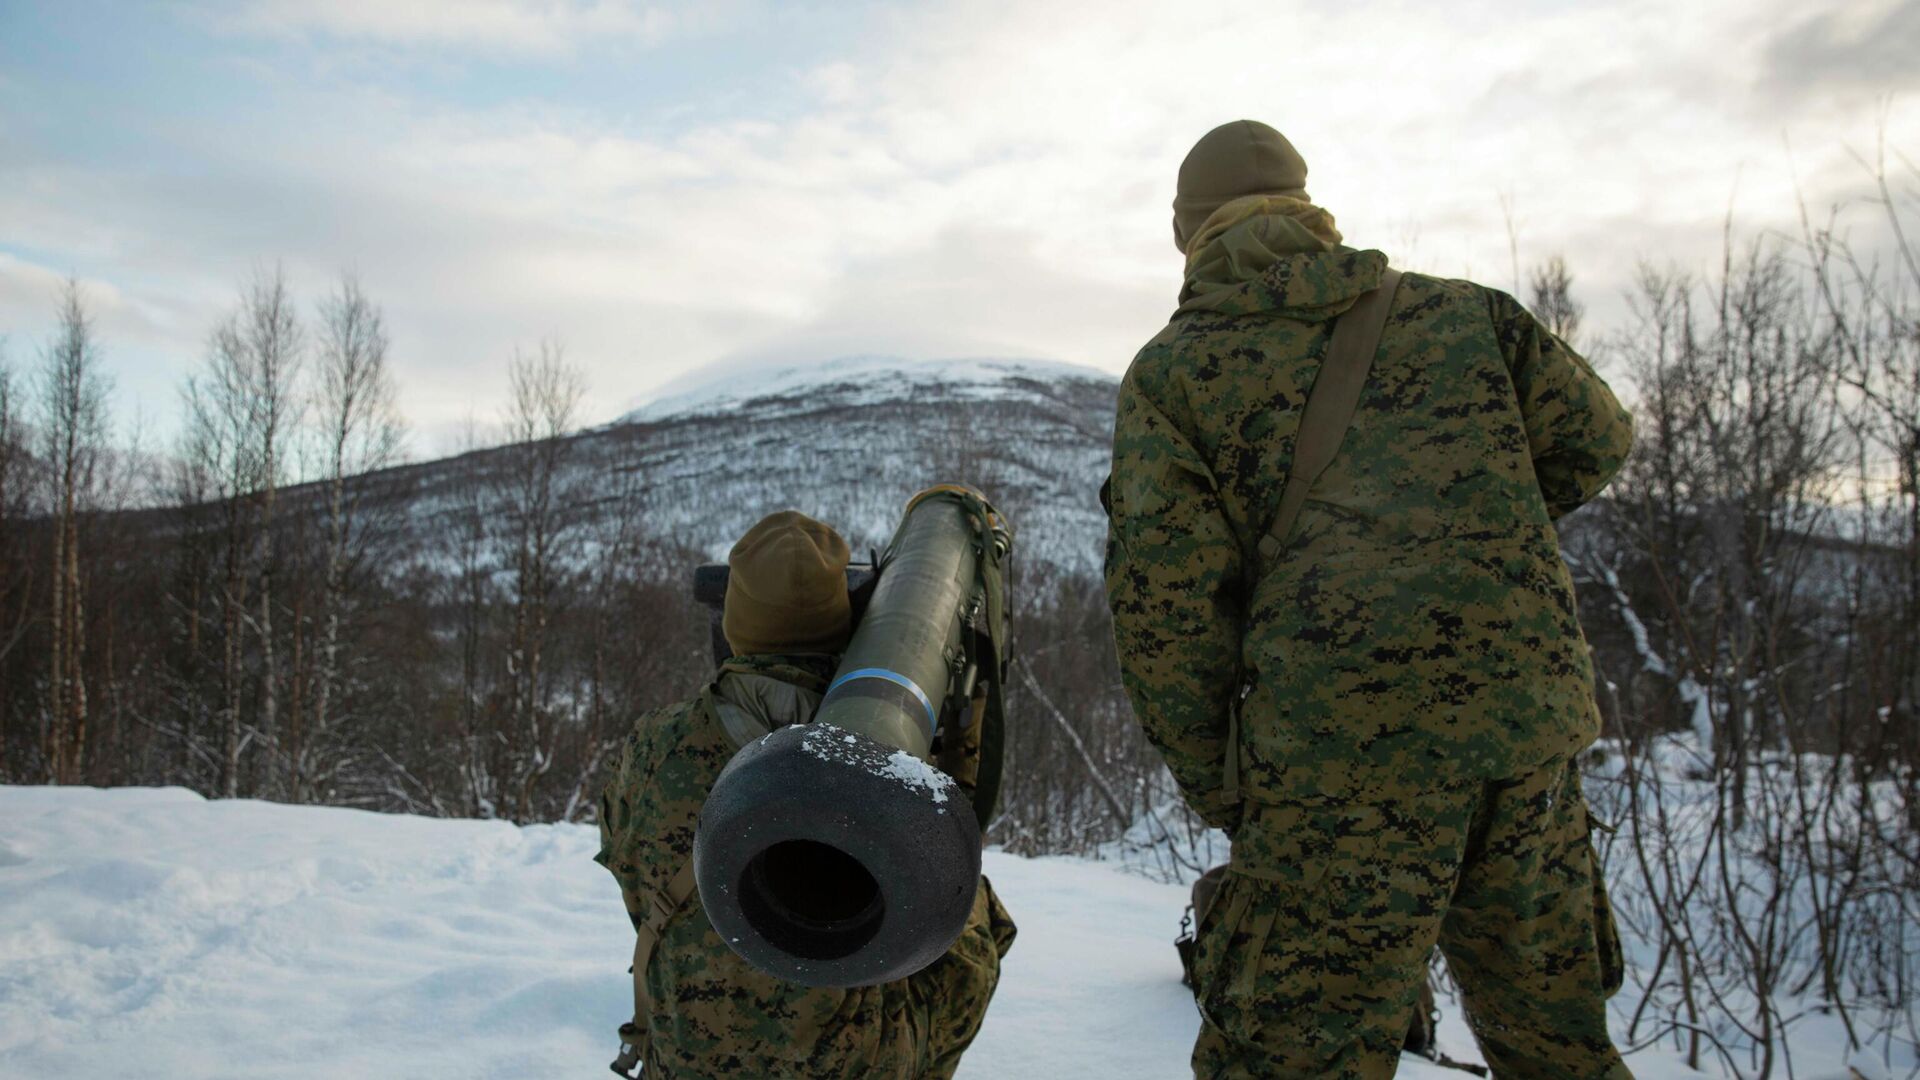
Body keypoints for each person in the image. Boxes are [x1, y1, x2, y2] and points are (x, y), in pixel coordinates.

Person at [1103, 119, 1635, 1078]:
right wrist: (1478, 522)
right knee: (1561, 1050)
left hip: (1335, 766)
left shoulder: (1179, 372)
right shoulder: (1468, 314)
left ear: (1190, 234)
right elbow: (1597, 438)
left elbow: (1167, 612)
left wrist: (1225, 786)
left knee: (1290, 1058)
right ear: (1310, 210)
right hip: (1529, 738)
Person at [596, 510, 1015, 1079]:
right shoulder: (884, 752)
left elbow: (630, 869)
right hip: (858, 1065)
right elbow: (953, 961)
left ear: (734, 623)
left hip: (686, 1054)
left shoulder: (652, 747)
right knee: (973, 920)